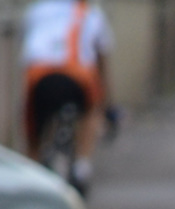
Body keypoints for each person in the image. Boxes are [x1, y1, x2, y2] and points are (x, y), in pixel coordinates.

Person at [19, 0, 114, 192]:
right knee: (91, 111)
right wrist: (107, 104)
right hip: (76, 75)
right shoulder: (90, 12)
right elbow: (102, 58)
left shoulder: (36, 10)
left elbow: (26, 47)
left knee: (33, 126)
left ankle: (32, 170)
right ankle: (82, 166)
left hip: (39, 77)